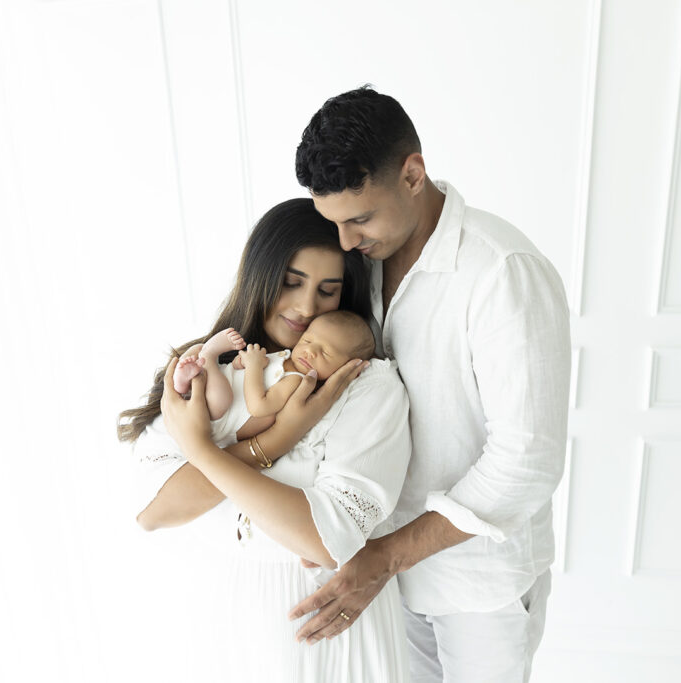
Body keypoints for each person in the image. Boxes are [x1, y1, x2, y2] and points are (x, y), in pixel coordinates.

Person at [287, 87, 571, 682]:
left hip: (479, 585)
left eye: (359, 218)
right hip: (386, 581)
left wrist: (384, 558)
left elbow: (528, 461)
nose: (344, 241)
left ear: (413, 173)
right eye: (333, 222)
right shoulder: (357, 268)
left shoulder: (501, 270)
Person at [119, 198, 413, 682]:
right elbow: (153, 511)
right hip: (228, 620)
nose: (304, 308)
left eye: (327, 291)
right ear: (260, 275)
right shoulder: (213, 370)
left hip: (321, 628)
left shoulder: (363, 384)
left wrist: (200, 452)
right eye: (291, 282)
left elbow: (324, 539)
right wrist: (273, 442)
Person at [172, 311, 377, 449]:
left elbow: (258, 407)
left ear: (344, 368)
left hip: (221, 418)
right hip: (214, 389)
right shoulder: (285, 357)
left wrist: (253, 366)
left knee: (219, 396)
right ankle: (185, 382)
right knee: (200, 360)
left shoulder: (297, 381)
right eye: (307, 340)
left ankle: (209, 356)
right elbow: (240, 371)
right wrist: (240, 363)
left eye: (325, 353)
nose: (309, 351)